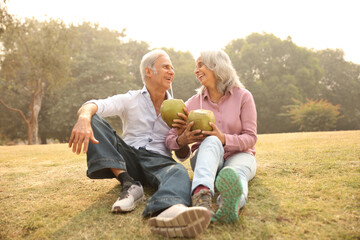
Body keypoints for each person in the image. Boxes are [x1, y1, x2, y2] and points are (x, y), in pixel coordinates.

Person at [68, 49, 211, 238]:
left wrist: (182, 138)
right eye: (166, 67)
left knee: (178, 171)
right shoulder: (130, 99)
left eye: (172, 68)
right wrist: (84, 118)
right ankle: (129, 183)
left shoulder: (180, 107)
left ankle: (171, 209)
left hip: (159, 161)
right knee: (94, 119)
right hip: (128, 157)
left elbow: (182, 155)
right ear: (149, 72)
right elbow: (95, 104)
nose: (171, 71)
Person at [166, 49, 257, 223]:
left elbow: (251, 138)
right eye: (196, 66)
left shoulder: (243, 97)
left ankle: (229, 206)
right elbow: (170, 140)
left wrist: (224, 138)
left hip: (240, 155)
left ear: (216, 66)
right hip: (205, 157)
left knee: (236, 173)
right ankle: (202, 198)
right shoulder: (193, 102)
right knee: (212, 140)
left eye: (201, 65)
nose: (196, 70)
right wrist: (182, 139)